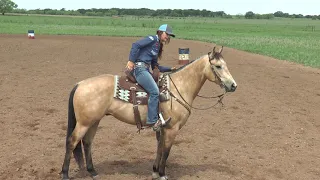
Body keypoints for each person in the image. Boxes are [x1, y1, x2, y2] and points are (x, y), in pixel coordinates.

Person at [126, 24, 175, 131]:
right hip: (140, 69)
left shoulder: (157, 47)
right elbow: (136, 45)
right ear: (160, 32)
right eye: (167, 34)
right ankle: (152, 121)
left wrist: (171, 68)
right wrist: (131, 61)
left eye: (169, 35)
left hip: (145, 70)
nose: (168, 37)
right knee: (154, 91)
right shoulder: (152, 39)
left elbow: (155, 67)